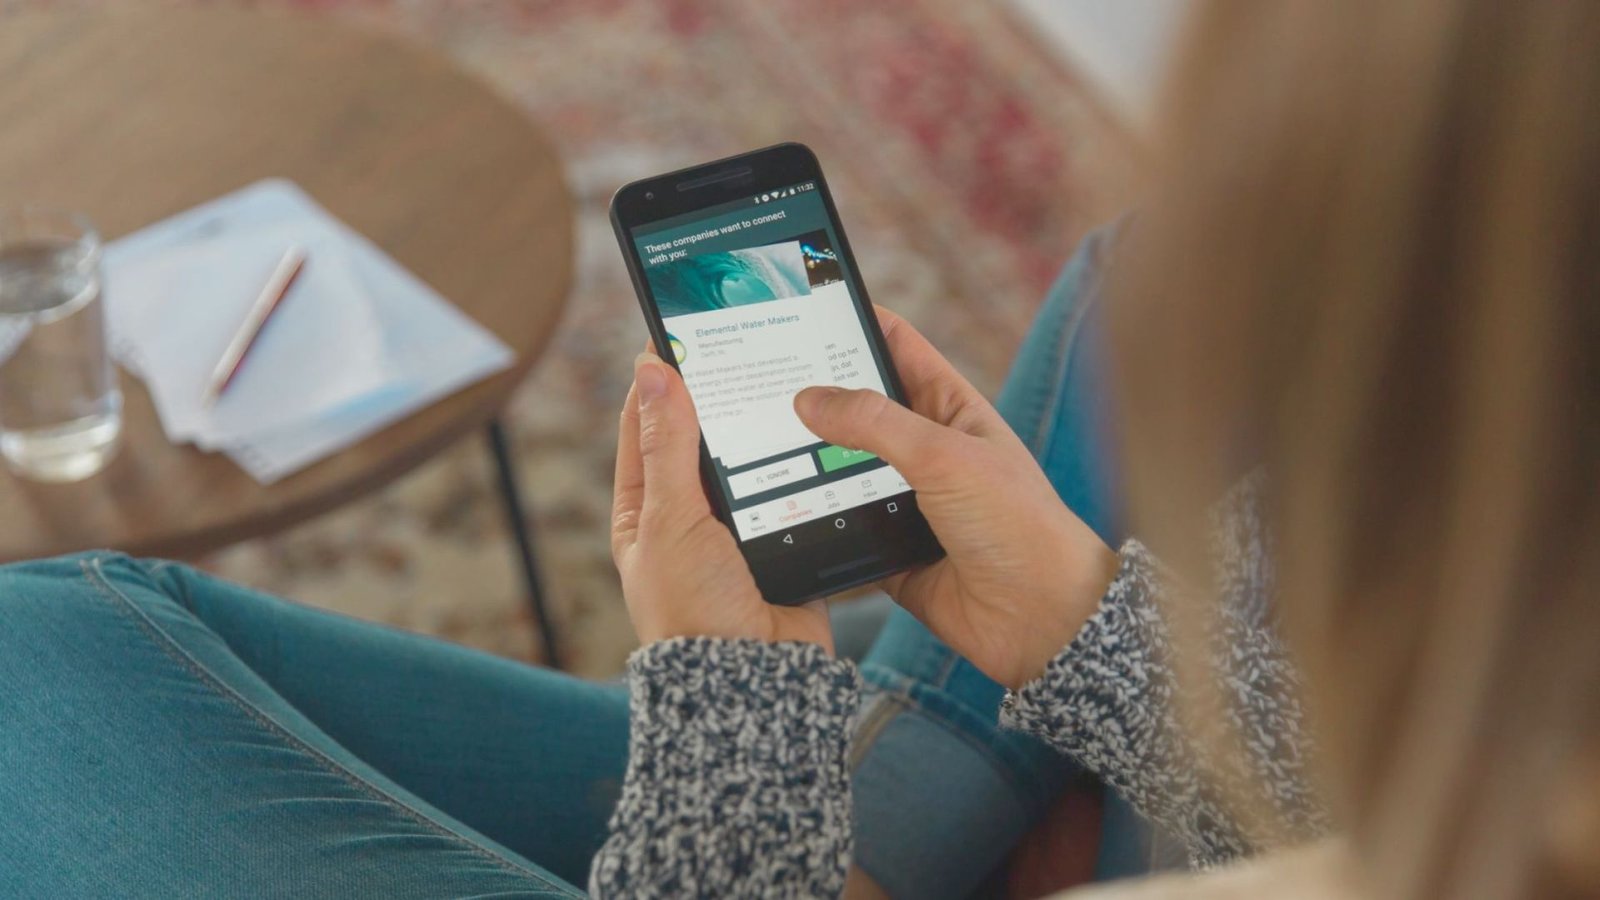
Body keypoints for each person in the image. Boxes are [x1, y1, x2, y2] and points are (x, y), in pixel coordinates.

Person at [3, 2, 1597, 899]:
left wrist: (742, 721)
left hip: (764, 831)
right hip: (1244, 763)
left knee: (41, 660)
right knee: (1144, 275)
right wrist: (1074, 627)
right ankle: (924, 789)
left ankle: (896, 803)